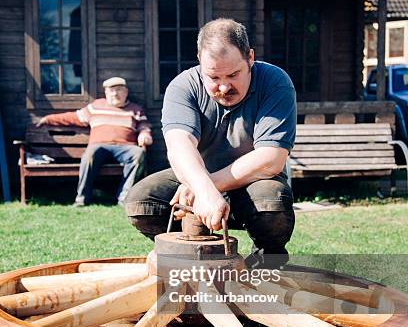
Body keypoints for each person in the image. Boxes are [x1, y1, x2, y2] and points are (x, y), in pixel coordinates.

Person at [125, 18, 296, 265]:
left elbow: (271, 159)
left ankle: (265, 263)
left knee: (273, 202)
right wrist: (202, 187)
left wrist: (205, 188)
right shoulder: (183, 86)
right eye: (214, 77)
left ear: (250, 58)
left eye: (234, 74)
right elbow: (179, 146)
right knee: (141, 201)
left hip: (254, 179)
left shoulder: (275, 82)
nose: (224, 87)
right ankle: (190, 254)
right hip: (199, 173)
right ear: (199, 60)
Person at [38, 77, 152, 206]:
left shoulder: (135, 109)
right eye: (112, 90)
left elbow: (144, 126)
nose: (115, 93)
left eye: (119, 90)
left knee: (138, 153)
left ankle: (124, 197)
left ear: (126, 92)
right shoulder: (96, 107)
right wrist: (48, 119)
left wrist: (145, 134)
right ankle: (82, 198)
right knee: (88, 155)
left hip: (125, 147)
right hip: (99, 146)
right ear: (106, 93)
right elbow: (72, 117)